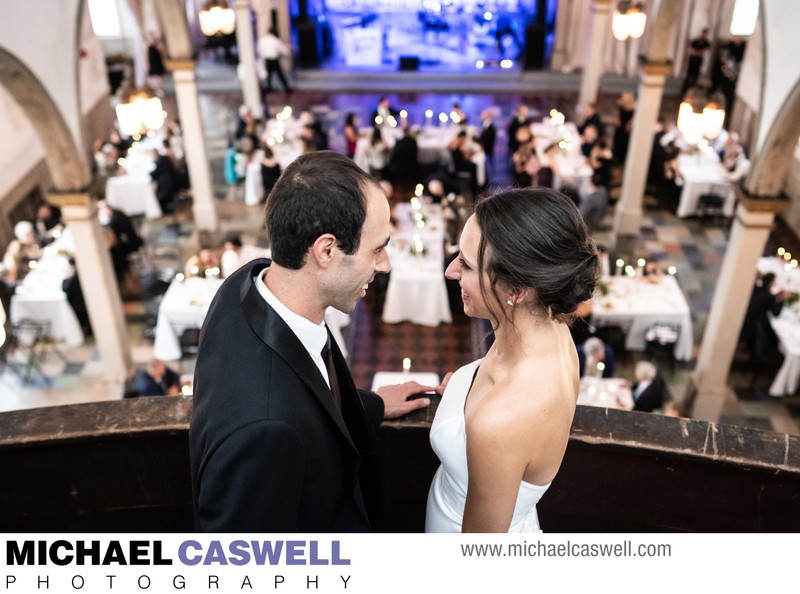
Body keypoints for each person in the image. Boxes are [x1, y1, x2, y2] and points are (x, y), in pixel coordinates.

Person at [189, 150, 436, 532]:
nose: (385, 264)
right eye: (377, 248)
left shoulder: (248, 283)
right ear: (326, 250)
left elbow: (306, 382)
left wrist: (365, 406)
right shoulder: (265, 430)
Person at [425, 186, 599, 533]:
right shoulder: (552, 331)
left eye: (467, 265)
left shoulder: (500, 421)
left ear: (516, 291)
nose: (449, 272)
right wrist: (461, 394)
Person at [257, 27, 292, 94]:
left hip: (267, 60)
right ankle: (286, 88)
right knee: (279, 75)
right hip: (274, 60)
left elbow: (259, 49)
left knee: (269, 75)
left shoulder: (263, 40)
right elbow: (284, 50)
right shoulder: (276, 40)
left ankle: (269, 88)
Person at [681, 28, 711, 96]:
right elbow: (691, 52)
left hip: (698, 62)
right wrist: (698, 52)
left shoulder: (707, 43)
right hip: (692, 61)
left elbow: (704, 53)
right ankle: (684, 91)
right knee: (688, 75)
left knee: (695, 76)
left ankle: (692, 92)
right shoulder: (695, 41)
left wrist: (696, 52)